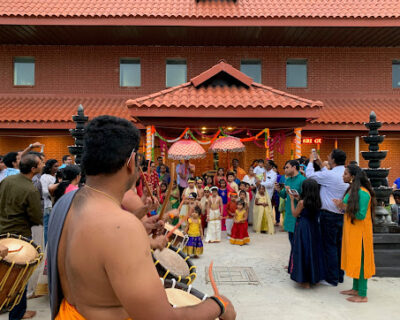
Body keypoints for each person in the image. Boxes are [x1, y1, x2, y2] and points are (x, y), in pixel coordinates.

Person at [47, 115, 235, 320]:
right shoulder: (121, 227)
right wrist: (218, 304)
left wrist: (139, 226)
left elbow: (93, 253)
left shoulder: (67, 203)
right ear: (131, 163)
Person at [0, 153, 44, 320]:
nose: (43, 164)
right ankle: (17, 314)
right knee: (20, 277)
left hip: (2, 231)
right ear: (33, 169)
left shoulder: (7, 181)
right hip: (19, 237)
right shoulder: (30, 189)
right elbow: (36, 218)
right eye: (41, 163)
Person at [333, 165, 376, 303]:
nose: (343, 176)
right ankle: (355, 288)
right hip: (352, 232)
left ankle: (362, 294)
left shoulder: (363, 193)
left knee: (362, 262)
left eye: (345, 173)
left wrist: (343, 206)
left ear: (352, 176)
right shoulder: (352, 190)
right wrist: (341, 207)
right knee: (356, 260)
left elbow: (361, 215)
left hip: (361, 234)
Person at [306, 149, 349, 286]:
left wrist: (311, 161)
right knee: (338, 246)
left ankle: (332, 278)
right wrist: (320, 162)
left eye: (329, 156)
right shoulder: (345, 173)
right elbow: (327, 174)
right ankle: (339, 275)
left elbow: (310, 176)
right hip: (341, 215)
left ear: (334, 160)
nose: (327, 157)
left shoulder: (330, 175)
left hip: (328, 215)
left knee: (329, 246)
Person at [288, 179, 325, 288]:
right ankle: (314, 278)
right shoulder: (318, 201)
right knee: (313, 251)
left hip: (303, 227)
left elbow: (295, 213)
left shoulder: (301, 203)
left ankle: (304, 280)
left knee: (302, 251)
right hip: (314, 227)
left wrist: (291, 200)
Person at [276, 160, 306, 255]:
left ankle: (296, 264)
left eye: (287, 167)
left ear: (294, 167)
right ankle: (292, 262)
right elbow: (284, 195)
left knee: (298, 241)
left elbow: (306, 198)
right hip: (289, 213)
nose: (285, 169)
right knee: (291, 239)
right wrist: (278, 190)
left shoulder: (302, 180)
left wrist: (297, 197)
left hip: (298, 214)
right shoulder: (287, 179)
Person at [40, 159, 59, 246]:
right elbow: (44, 191)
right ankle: (47, 246)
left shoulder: (57, 176)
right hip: (48, 205)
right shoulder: (45, 177)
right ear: (49, 167)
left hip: (56, 204)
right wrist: (54, 190)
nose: (57, 168)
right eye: (55, 166)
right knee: (47, 228)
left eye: (57, 166)